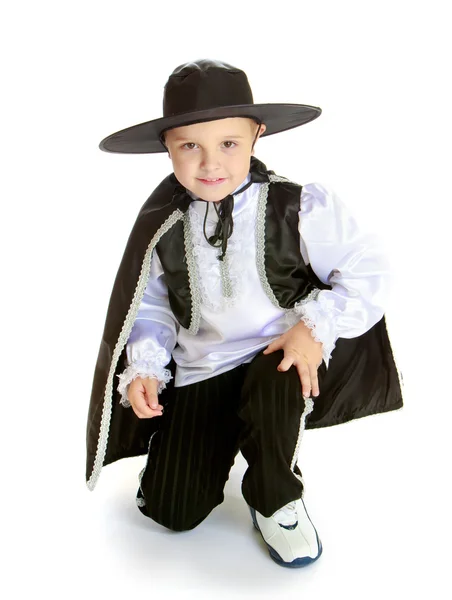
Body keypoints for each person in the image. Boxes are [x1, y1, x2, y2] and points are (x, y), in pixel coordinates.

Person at [85, 59, 404, 568]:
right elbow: (150, 307)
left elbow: (368, 271)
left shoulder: (296, 205)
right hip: (203, 367)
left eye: (228, 144)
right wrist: (145, 365)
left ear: (256, 135)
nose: (210, 163)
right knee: (171, 512)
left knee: (278, 381)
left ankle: (275, 495)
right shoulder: (164, 223)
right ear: (168, 145)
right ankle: (211, 443)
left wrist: (312, 329)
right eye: (190, 146)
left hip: (277, 356)